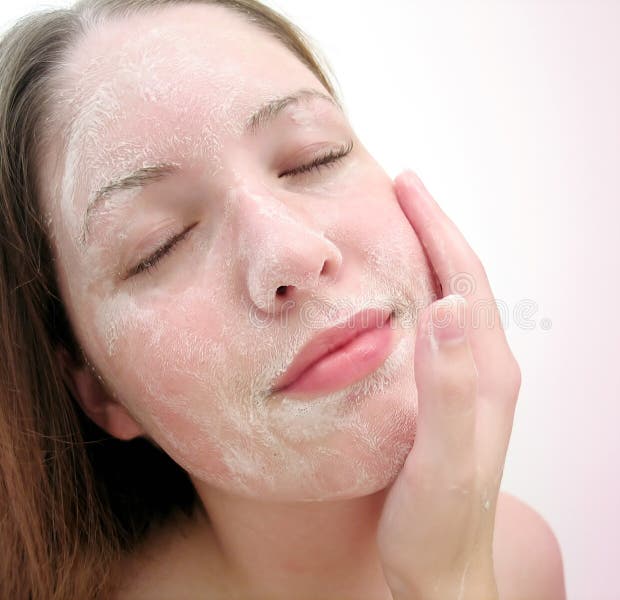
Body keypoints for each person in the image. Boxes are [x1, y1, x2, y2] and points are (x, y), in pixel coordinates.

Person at [0, 0, 566, 598]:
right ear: (96, 388)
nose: (291, 251)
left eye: (313, 156)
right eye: (161, 245)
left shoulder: (521, 560)